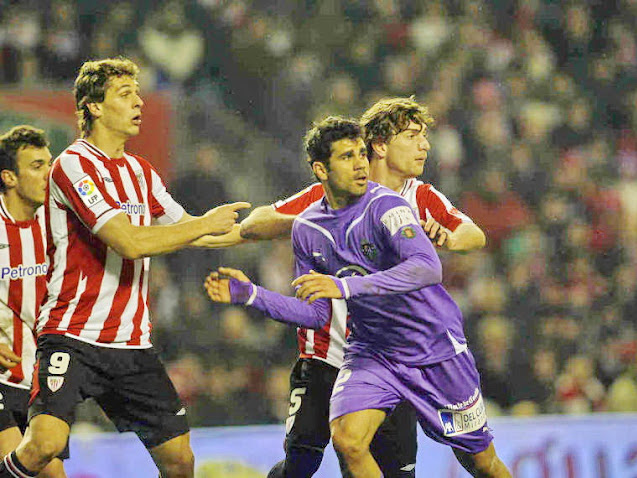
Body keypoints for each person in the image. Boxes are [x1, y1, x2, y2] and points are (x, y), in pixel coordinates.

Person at [205, 117, 511, 477]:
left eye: (361, 154)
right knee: (347, 440)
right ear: (321, 169)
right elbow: (316, 313)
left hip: (433, 349)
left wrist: (346, 287)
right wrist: (251, 294)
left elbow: (429, 268)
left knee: (481, 462)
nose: (360, 164)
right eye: (348, 156)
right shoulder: (307, 227)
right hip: (372, 351)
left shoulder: (389, 205)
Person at [0, 58, 250, 478]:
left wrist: (289, 222)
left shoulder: (141, 171)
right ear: (94, 107)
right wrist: (205, 224)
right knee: (44, 445)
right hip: (73, 335)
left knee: (180, 462)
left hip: (131, 345)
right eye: (125, 95)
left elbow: (196, 231)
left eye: (138, 94)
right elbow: (129, 242)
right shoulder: (72, 165)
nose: (138, 103)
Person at [0, 126, 66, 478]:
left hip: (40, 380)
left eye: (50, 164)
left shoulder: (57, 223)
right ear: (9, 177)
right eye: (38, 165)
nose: (49, 174)